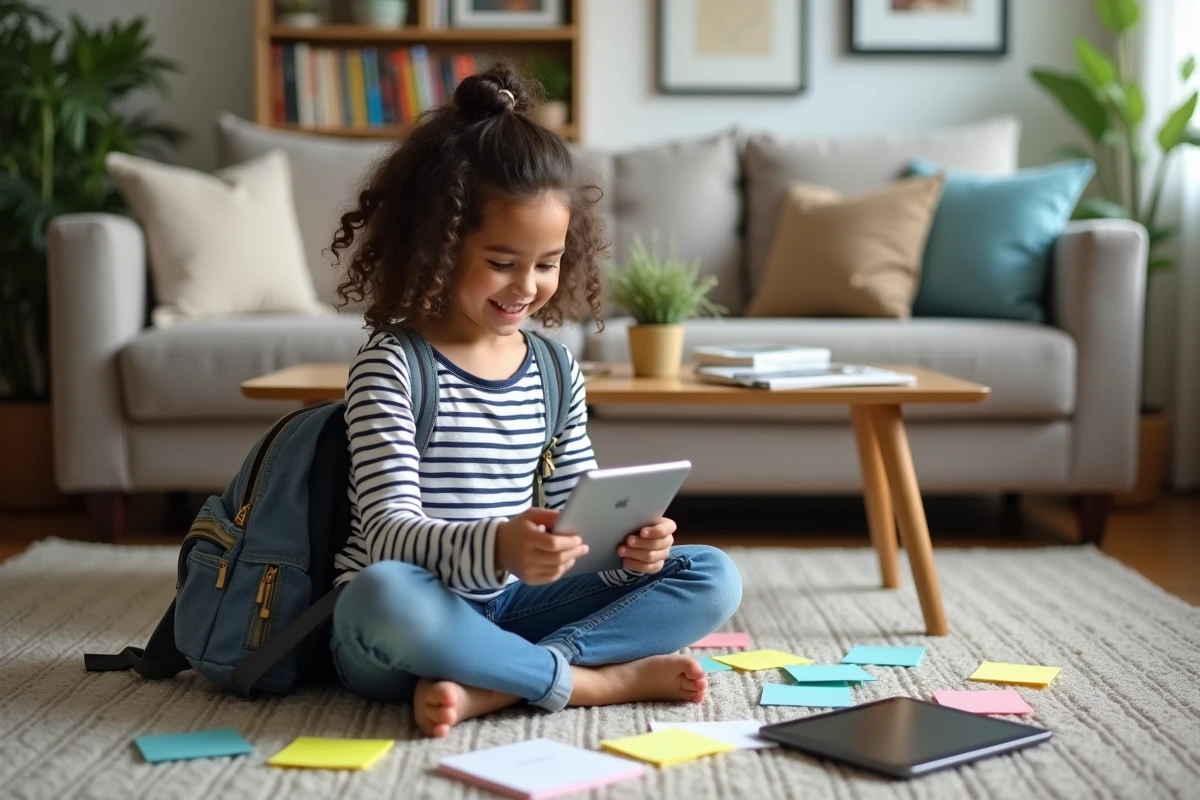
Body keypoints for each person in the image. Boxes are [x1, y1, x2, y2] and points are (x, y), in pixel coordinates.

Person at [326, 63, 743, 738]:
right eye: (501, 261)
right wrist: (498, 546)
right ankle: (587, 683)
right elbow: (386, 536)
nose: (527, 285)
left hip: (514, 604)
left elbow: (579, 508)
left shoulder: (553, 367)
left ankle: (505, 677)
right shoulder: (392, 365)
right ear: (437, 245)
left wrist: (633, 546)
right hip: (413, 618)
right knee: (378, 597)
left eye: (546, 262)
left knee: (712, 574)